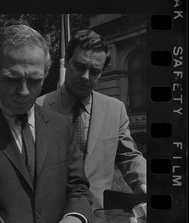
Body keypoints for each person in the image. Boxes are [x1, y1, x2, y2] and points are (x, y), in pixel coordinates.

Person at [0, 25, 93, 223]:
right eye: (12, 79)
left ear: (46, 74)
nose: (24, 91)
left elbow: (78, 187)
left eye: (34, 80)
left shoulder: (61, 125)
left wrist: (75, 217)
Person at [37, 29, 147, 212]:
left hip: (100, 216)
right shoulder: (38, 108)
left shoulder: (115, 109)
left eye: (94, 71)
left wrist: (146, 182)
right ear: (67, 61)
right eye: (80, 66)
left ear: (102, 72)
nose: (86, 76)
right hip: (52, 220)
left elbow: (129, 156)